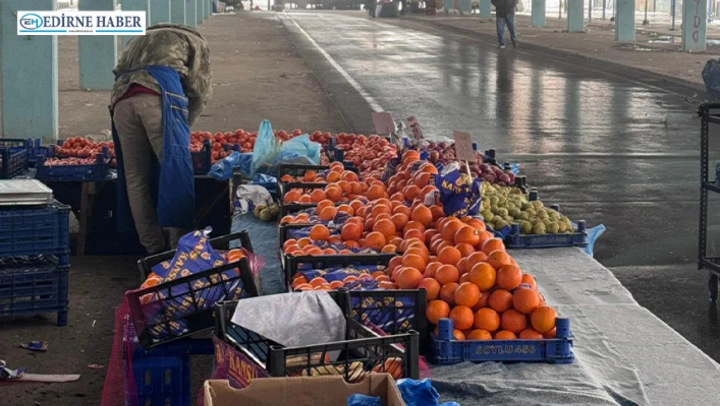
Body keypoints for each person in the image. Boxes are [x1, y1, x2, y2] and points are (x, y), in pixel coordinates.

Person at [110, 24, 213, 254]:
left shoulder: (138, 38)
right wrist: (184, 126)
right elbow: (200, 89)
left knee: (135, 177)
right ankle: (180, 246)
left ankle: (152, 247)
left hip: (121, 101)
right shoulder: (195, 42)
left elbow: (118, 70)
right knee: (175, 168)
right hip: (158, 96)